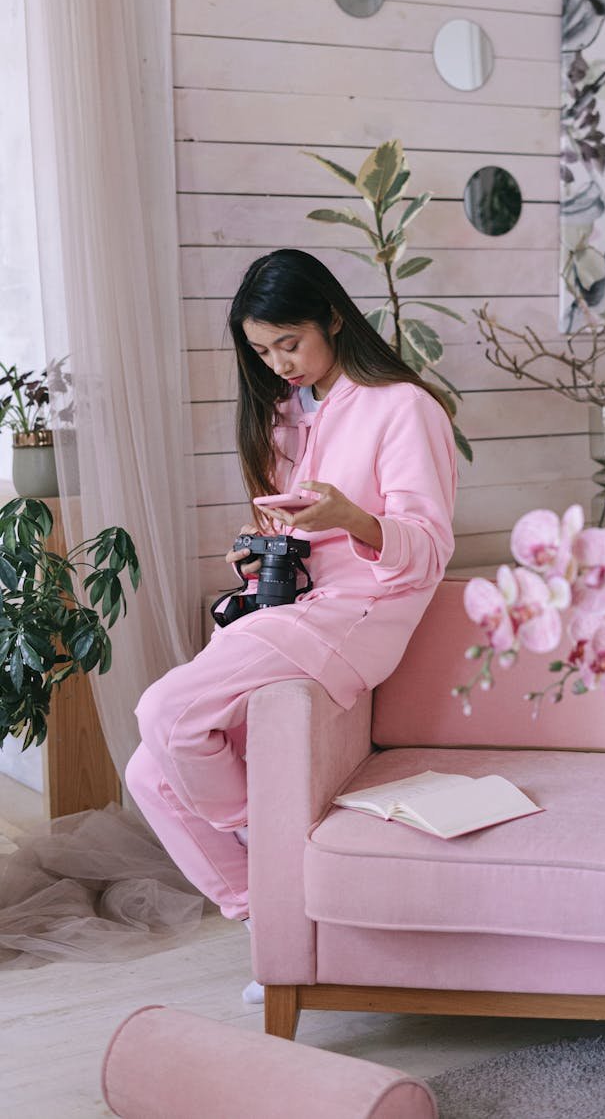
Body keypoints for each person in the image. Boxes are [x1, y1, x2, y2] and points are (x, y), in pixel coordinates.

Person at [126, 249, 457, 994]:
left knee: (166, 711)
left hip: (362, 611)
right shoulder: (287, 416)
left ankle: (267, 846)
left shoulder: (404, 407)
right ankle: (272, 925)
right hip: (297, 607)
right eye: (262, 351)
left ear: (333, 319)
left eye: (289, 343)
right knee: (148, 772)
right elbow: (297, 535)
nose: (278, 364)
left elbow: (428, 549)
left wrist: (354, 518)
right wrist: (259, 552)